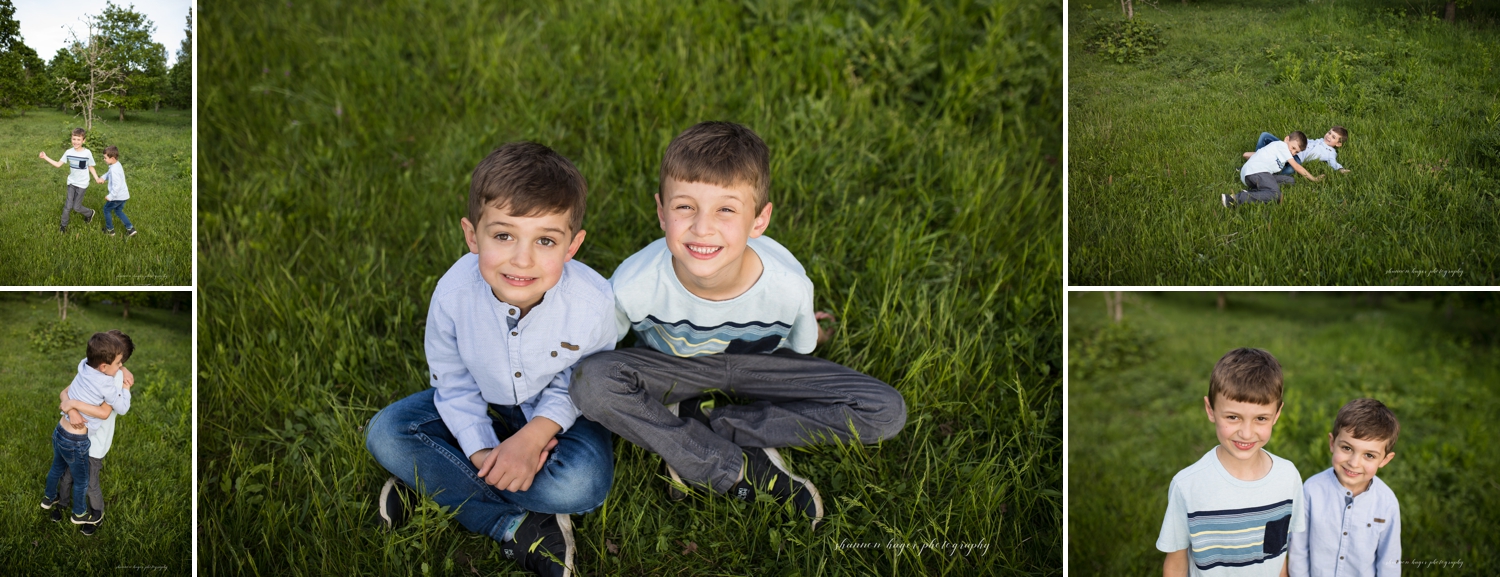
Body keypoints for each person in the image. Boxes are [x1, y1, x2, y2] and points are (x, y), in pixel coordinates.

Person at [570, 121, 908, 529]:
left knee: (885, 411)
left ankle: (713, 427)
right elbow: (599, 349)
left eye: (726, 209)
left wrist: (814, 332)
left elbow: (802, 346)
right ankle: (726, 463)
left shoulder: (789, 286)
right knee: (590, 381)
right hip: (674, 365)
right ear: (662, 212)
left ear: (759, 220)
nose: (702, 227)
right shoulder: (633, 284)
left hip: (762, 366)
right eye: (684, 207)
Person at [365, 142, 616, 577]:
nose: (522, 258)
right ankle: (512, 522)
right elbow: (454, 383)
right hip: (485, 402)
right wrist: (481, 451)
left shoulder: (593, 304)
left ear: (572, 246)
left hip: (559, 420)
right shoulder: (453, 294)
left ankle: (436, 482)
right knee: (386, 433)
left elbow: (584, 382)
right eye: (503, 236)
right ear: (471, 235)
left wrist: (534, 438)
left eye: (545, 240)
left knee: (582, 485)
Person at [1158, 347, 1306, 576]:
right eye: (1233, 417)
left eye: (1261, 419)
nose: (1246, 433)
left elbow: (1280, 553)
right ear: (1210, 410)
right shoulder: (1187, 485)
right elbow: (1176, 563)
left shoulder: (1288, 477)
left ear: (1277, 414)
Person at [1289, 398, 1401, 577]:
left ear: (1385, 460)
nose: (1354, 462)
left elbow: (1389, 559)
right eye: (1347, 448)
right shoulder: (1311, 490)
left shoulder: (1387, 502)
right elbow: (1299, 548)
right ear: (1332, 443)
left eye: (1369, 455)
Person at [41, 331, 132, 528]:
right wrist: (72, 408)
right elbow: (66, 391)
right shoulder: (90, 369)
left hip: (94, 443)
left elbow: (105, 412)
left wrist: (124, 381)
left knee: (90, 482)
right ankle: (63, 504)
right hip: (78, 435)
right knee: (68, 474)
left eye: (119, 363)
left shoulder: (111, 378)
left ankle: (96, 514)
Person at [38, 128, 102, 233]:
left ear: (83, 141)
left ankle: (89, 213)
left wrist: (96, 178)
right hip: (71, 182)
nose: (76, 142)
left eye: (78, 139)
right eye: (74, 139)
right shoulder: (68, 152)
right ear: (71, 139)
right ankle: (63, 226)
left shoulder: (87, 153)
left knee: (76, 207)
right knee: (68, 206)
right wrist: (45, 157)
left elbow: (91, 166)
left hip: (82, 184)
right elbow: (58, 165)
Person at [1243, 127, 1349, 181]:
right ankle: (1257, 159)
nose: (1329, 136)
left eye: (1334, 137)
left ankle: (1269, 174)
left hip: (1297, 157)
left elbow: (1333, 162)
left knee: (1290, 169)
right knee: (1265, 135)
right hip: (1288, 148)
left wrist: (1340, 169)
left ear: (1339, 144)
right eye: (1329, 133)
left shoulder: (1330, 152)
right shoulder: (1319, 140)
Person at [96, 146, 139, 237]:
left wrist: (111, 196)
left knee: (106, 210)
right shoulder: (116, 165)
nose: (104, 159)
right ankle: (130, 229)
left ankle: (110, 230)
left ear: (112, 158)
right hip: (124, 196)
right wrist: (103, 178)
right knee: (118, 211)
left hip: (117, 197)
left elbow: (117, 185)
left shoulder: (114, 170)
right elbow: (109, 173)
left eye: (105, 158)